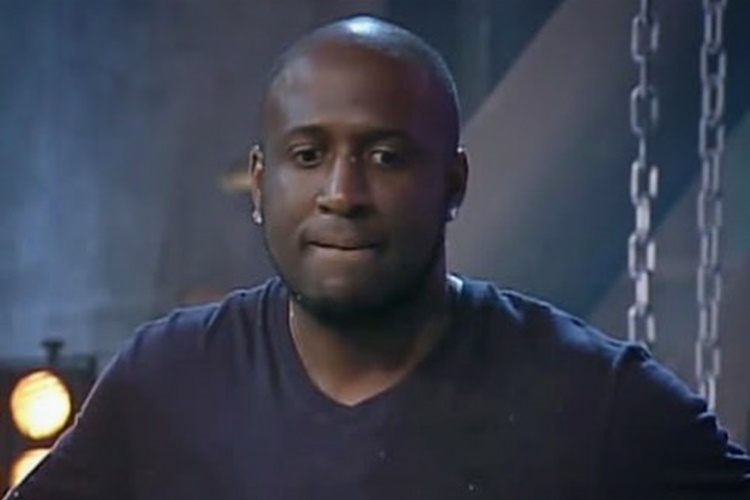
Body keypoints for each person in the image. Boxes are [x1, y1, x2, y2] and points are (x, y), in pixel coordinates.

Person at [6, 15, 749, 500]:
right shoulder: (168, 379)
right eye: (308, 155)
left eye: (386, 156)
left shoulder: (592, 397)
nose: (342, 193)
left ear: (452, 184)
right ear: (261, 184)